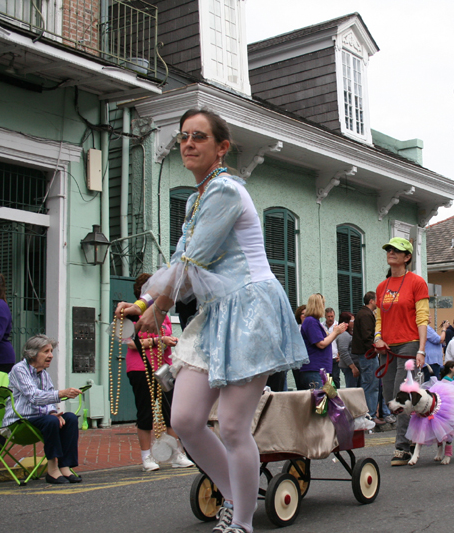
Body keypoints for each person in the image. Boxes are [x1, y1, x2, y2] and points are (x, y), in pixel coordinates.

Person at [115, 108, 309, 533]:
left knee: (236, 426)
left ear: (221, 148)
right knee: (185, 420)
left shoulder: (224, 191)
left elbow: (194, 258)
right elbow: (182, 260)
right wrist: (146, 299)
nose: (188, 143)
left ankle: (242, 521)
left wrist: (157, 308)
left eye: (198, 137)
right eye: (184, 136)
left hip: (250, 308)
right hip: (218, 312)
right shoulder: (196, 197)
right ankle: (237, 497)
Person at [125, 273, 193, 472]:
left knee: (170, 410)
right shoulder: (131, 314)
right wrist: (158, 341)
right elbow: (129, 343)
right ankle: (147, 457)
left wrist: (171, 342)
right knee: (145, 412)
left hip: (163, 368)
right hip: (141, 368)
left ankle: (176, 454)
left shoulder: (162, 314)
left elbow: (166, 336)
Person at [374, 237, 428, 467]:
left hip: (410, 344)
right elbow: (379, 318)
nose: (391, 252)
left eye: (397, 250)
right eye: (389, 249)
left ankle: (402, 448)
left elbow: (422, 317)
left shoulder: (417, 282)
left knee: (401, 396)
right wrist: (377, 337)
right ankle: (414, 437)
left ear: (407, 257)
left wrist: (422, 350)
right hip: (386, 347)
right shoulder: (381, 287)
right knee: (390, 399)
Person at [3, 335, 82, 484]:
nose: (51, 355)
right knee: (51, 421)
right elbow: (34, 397)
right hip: (20, 420)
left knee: (70, 418)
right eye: (46, 351)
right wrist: (61, 393)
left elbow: (48, 399)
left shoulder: (44, 374)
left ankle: (65, 466)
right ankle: (52, 470)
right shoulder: (19, 370)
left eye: (51, 351)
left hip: (41, 418)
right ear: (32, 353)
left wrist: (53, 412)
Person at [299, 294, 346, 390]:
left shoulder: (314, 322)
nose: (324, 307)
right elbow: (321, 344)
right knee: (321, 402)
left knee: (330, 399)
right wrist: (335, 332)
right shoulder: (311, 321)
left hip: (321, 370)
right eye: (323, 304)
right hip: (314, 369)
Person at [352, 292, 378, 419]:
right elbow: (367, 337)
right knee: (371, 384)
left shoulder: (362, 314)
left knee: (368, 383)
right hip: (369, 355)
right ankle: (370, 414)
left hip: (365, 354)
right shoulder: (366, 315)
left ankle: (367, 413)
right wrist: (374, 350)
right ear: (372, 301)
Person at [336, 311, 359, 387]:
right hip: (349, 368)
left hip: (352, 366)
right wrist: (353, 367)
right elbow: (343, 352)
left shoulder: (350, 333)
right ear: (346, 322)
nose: (354, 322)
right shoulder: (344, 335)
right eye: (352, 321)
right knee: (352, 389)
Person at [325, 308, 341, 389]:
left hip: (335, 356)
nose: (330, 318)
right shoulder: (321, 326)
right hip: (325, 357)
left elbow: (341, 341)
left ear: (334, 316)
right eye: (328, 317)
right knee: (326, 379)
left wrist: (340, 353)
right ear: (325, 316)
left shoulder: (338, 326)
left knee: (335, 378)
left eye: (331, 316)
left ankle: (337, 395)